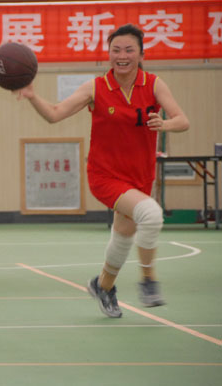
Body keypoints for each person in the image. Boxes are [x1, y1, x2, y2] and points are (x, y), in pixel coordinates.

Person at [15, 24, 189, 318]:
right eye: (115, 50)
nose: (122, 56)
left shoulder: (154, 84)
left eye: (129, 50)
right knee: (151, 215)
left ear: (141, 54)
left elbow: (182, 120)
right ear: (108, 55)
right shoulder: (96, 87)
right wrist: (32, 96)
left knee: (123, 235)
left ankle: (103, 286)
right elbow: (55, 114)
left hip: (140, 176)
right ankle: (148, 280)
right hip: (105, 175)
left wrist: (165, 124)